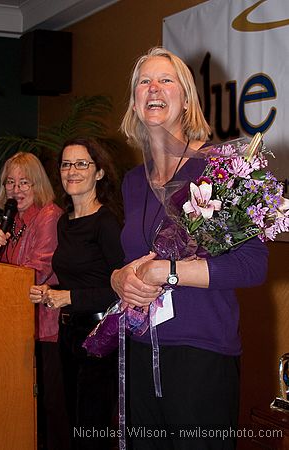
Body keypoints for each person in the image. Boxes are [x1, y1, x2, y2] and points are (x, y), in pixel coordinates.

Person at [110, 47, 269, 450]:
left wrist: (169, 271)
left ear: (187, 100)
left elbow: (253, 266)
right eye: (144, 81)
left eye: (166, 80)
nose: (153, 88)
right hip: (140, 352)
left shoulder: (220, 168)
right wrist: (118, 279)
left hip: (201, 355)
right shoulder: (131, 181)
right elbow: (131, 260)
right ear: (134, 101)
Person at [29, 137, 125, 450]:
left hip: (99, 335)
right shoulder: (64, 222)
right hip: (68, 332)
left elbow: (121, 289)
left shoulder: (107, 223)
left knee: (92, 431)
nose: (72, 170)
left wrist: (68, 297)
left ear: (99, 173)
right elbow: (76, 278)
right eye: (66, 164)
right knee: (74, 426)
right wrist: (50, 291)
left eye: (82, 163)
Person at [0, 151, 68, 450]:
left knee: (49, 408)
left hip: (43, 327)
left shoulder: (49, 216)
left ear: (38, 185)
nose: (16, 189)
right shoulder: (12, 220)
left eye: (24, 182)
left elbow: (38, 270)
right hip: (13, 326)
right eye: (10, 182)